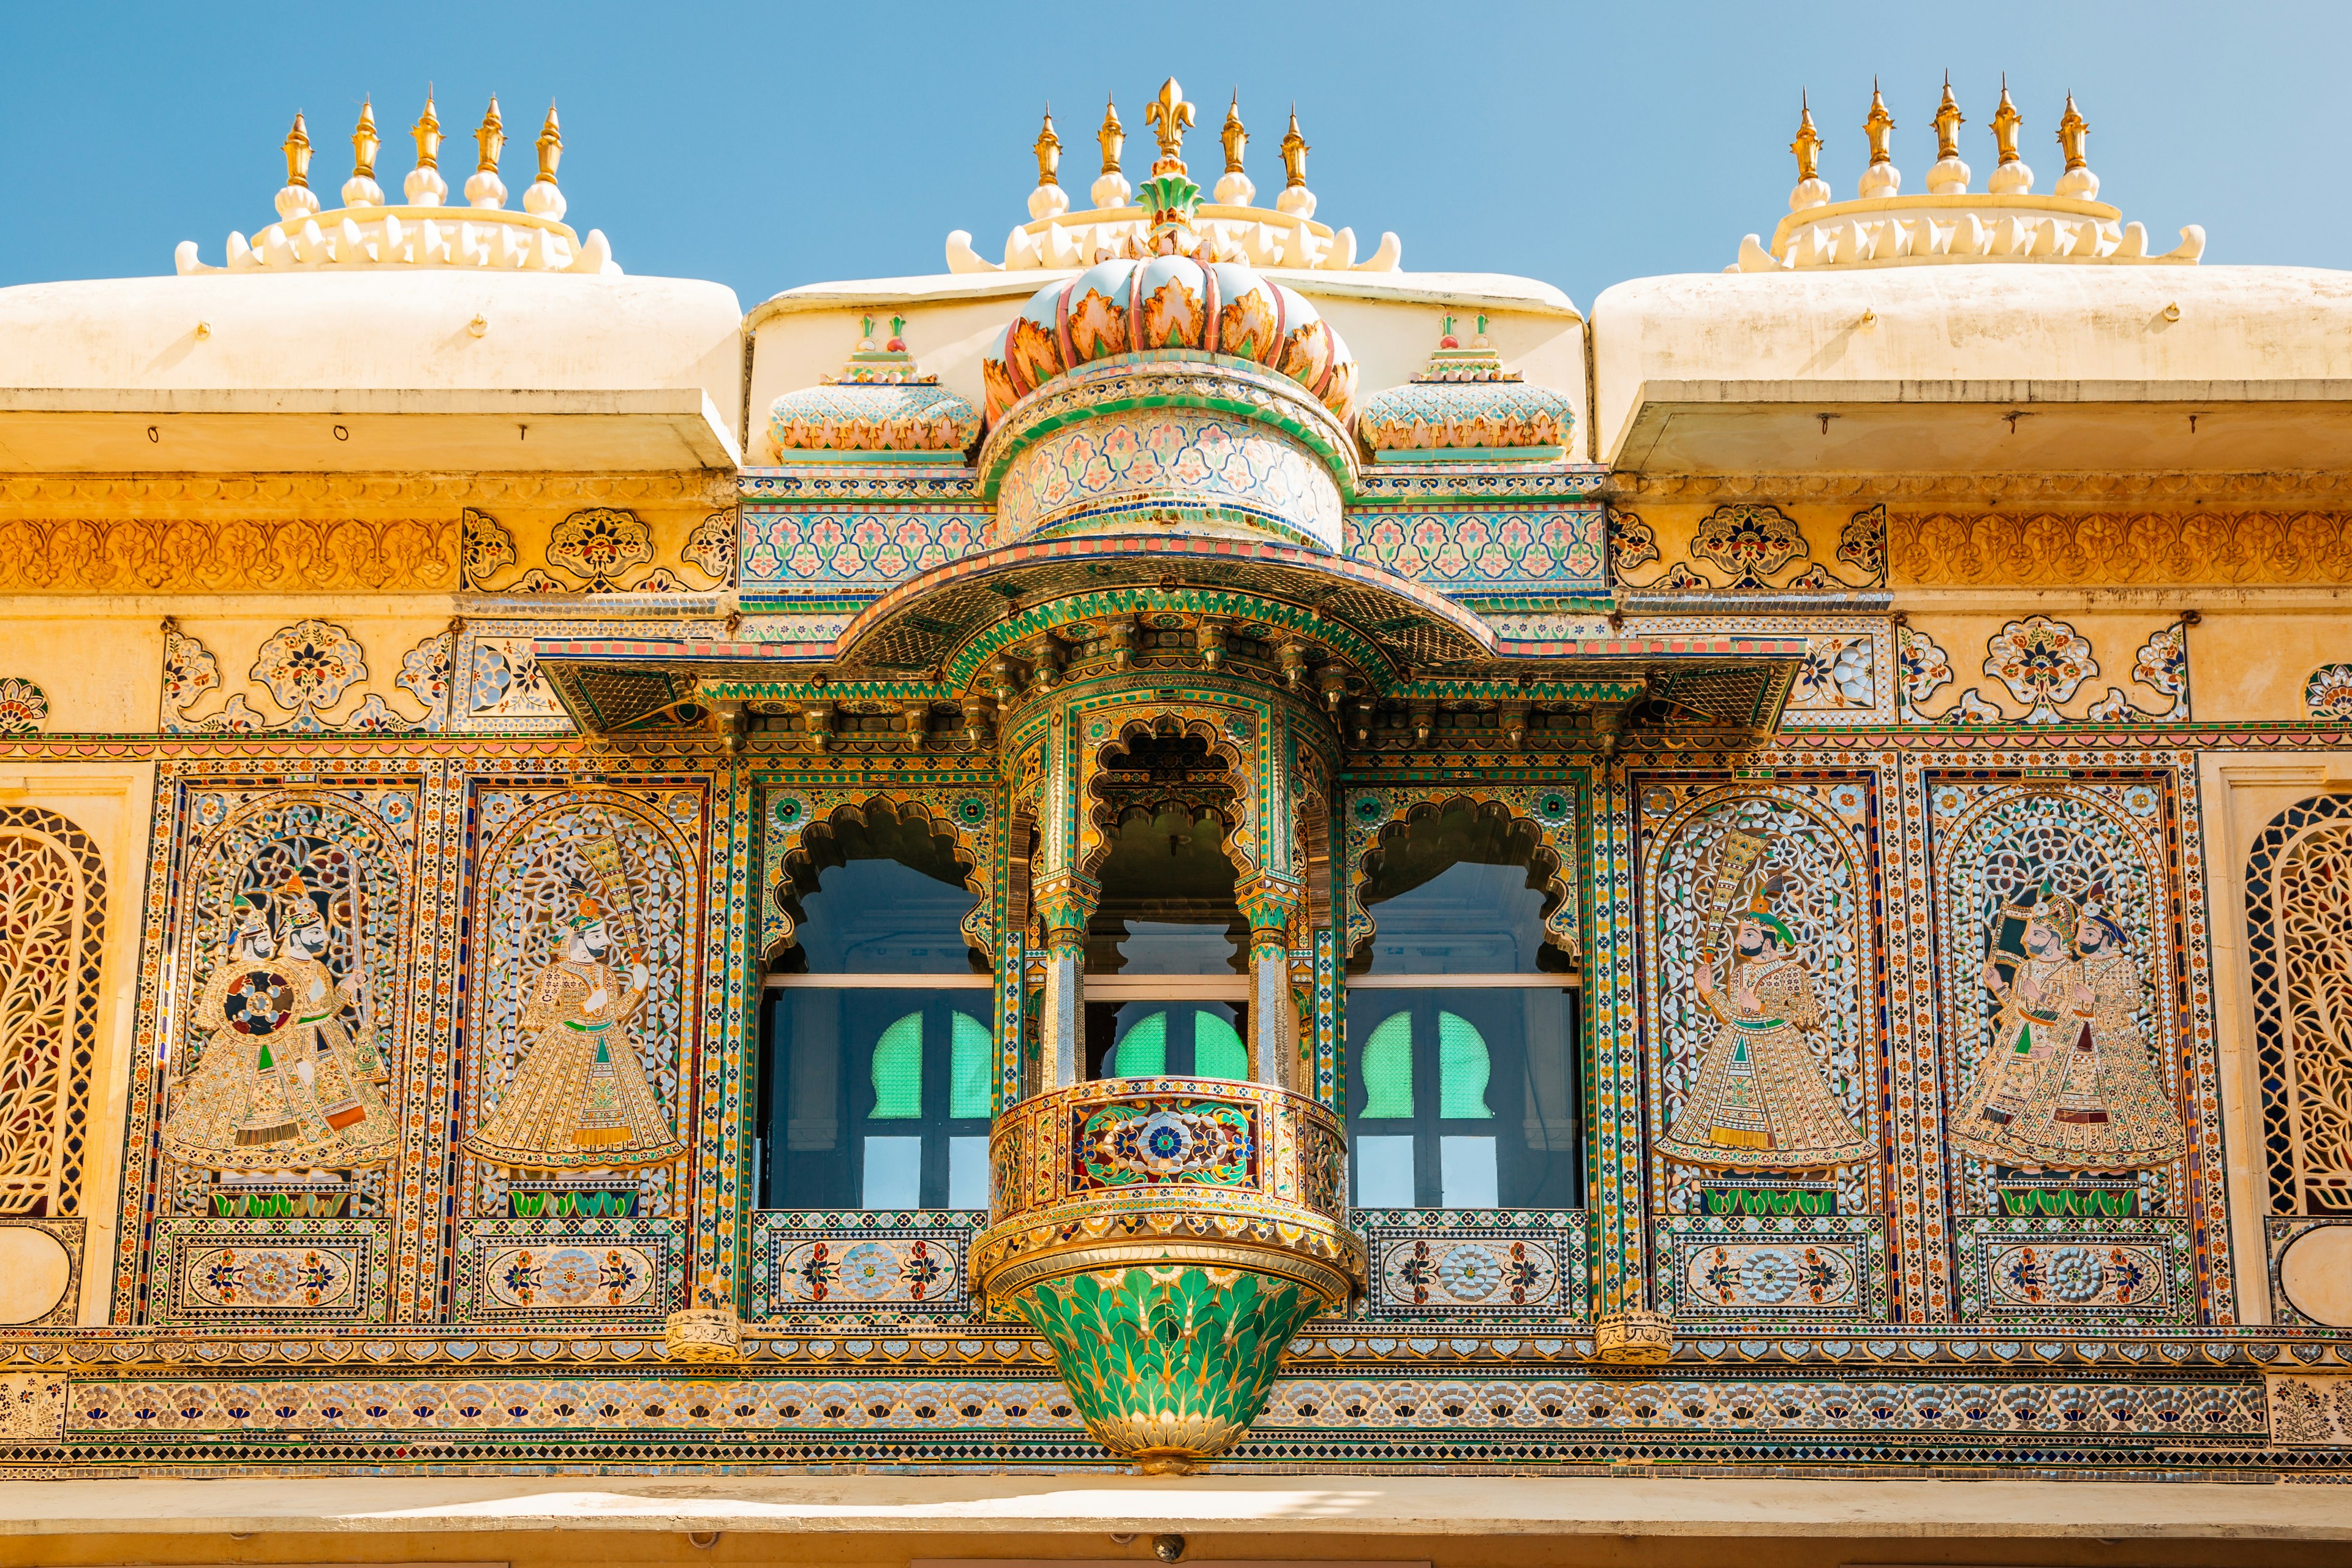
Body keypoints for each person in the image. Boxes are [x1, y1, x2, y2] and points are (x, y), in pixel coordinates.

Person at [163, 876, 396, 1177]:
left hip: (327, 1039)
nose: (324, 939)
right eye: (315, 933)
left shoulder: (319, 968)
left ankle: (328, 1160)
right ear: (296, 937)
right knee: (287, 1106)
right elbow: (274, 1012)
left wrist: (348, 987)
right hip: (288, 1045)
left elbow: (326, 1010)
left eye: (322, 932)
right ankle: (280, 1162)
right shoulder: (278, 970)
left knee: (338, 1102)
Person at [1953, 889, 2182, 1170]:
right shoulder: (2031, 969)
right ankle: (2021, 1156)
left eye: (2035, 935)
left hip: (2074, 1039)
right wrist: (2000, 986)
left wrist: (2051, 1022)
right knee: (2010, 1103)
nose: (2025, 941)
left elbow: (2069, 1011)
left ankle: (2102, 1155)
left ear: (2054, 940)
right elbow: (2019, 1009)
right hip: (2021, 1039)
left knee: (2088, 1103)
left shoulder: (2073, 970)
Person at [464, 887, 684, 1173]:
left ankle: (601, 1161)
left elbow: (614, 1012)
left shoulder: (606, 973)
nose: (605, 941)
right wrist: (580, 1009)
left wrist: (637, 989)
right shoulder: (555, 973)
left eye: (603, 935)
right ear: (577, 940)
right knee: (564, 1107)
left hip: (608, 1040)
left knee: (606, 1105)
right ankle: (562, 1161)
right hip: (568, 1041)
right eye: (597, 936)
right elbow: (536, 1017)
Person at [1659, 886, 1869, 1172]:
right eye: (1741, 935)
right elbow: (1732, 1014)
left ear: (1769, 942)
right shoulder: (1741, 972)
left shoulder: (1792, 973)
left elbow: (1806, 1016)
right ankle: (1739, 1159)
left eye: (1748, 935)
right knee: (1735, 1105)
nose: (1738, 942)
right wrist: (1708, 990)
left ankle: (1779, 1162)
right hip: (1737, 1041)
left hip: (1777, 1045)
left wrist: (1762, 1008)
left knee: (1780, 1109)